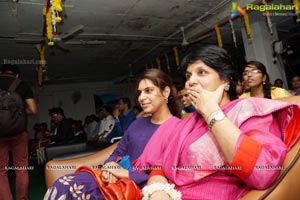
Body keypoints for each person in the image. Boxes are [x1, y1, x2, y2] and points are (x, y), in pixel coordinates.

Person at [134, 45, 300, 200]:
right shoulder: (188, 123)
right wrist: (158, 190)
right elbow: (161, 165)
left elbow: (263, 172)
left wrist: (211, 112)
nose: (190, 81)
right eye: (188, 76)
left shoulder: (247, 110)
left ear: (226, 80)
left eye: (202, 72)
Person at [44, 69, 182, 199]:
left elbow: (170, 174)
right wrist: (110, 168)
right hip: (114, 178)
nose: (141, 97)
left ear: (166, 92)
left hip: (140, 186)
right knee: (63, 184)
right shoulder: (137, 124)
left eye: (148, 90)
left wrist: (125, 174)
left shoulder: (178, 128)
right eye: (140, 92)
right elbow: (117, 152)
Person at [0, 64, 37, 200]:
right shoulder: (22, 85)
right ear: (17, 75)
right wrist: (19, 113)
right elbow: (33, 110)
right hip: (18, 133)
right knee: (21, 168)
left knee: (1, 171)